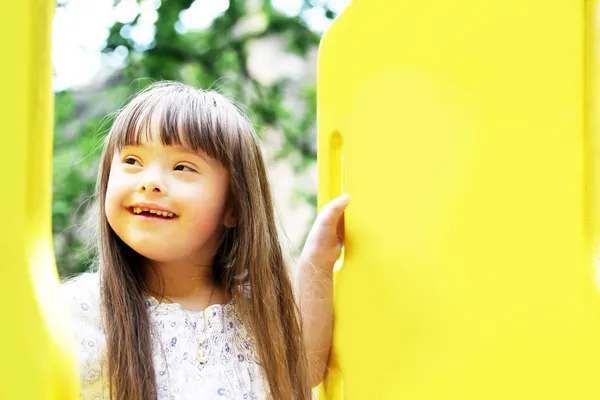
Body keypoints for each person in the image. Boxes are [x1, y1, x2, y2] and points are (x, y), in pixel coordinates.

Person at [60, 81, 349, 400]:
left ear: (233, 206)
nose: (150, 182)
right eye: (132, 161)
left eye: (182, 167)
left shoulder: (257, 312)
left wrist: (318, 261)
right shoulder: (78, 311)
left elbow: (304, 369)